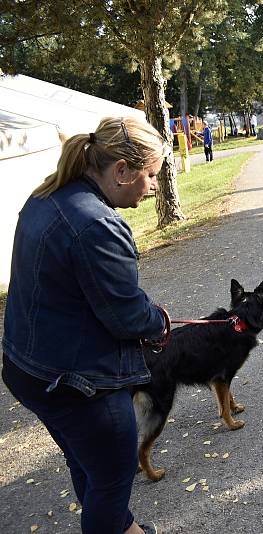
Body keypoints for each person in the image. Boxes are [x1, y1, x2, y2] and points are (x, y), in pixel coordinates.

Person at [2, 116, 169, 534]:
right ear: (121, 171)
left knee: (89, 467)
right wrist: (159, 320)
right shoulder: (96, 224)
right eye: (149, 176)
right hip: (78, 385)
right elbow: (127, 315)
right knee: (111, 483)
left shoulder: (48, 196)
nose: (152, 186)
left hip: (29, 370)